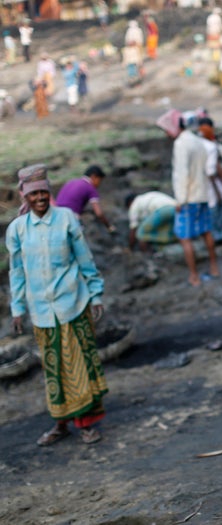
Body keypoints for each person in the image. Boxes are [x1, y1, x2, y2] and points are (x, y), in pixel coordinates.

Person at [6, 164, 107, 447]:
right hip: (41, 310)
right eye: (33, 194)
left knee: (79, 364)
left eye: (43, 192)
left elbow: (85, 259)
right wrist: (17, 307)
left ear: (49, 193)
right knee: (54, 367)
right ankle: (61, 423)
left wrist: (96, 293)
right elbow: (17, 271)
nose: (38, 198)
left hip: (73, 302)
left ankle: (86, 424)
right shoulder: (17, 230)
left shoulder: (66, 219)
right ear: (24, 197)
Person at [156, 109, 220, 286]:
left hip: (188, 197)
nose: (167, 134)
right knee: (206, 231)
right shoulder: (198, 142)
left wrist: (180, 199)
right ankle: (214, 267)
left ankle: (194, 276)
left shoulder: (181, 144)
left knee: (185, 238)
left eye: (167, 130)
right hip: (203, 194)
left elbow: (182, 174)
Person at [55, 165, 116, 232]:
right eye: (99, 180)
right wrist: (109, 226)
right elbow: (99, 213)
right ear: (94, 177)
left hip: (56, 215)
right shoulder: (90, 188)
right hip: (70, 217)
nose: (99, 184)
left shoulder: (71, 182)